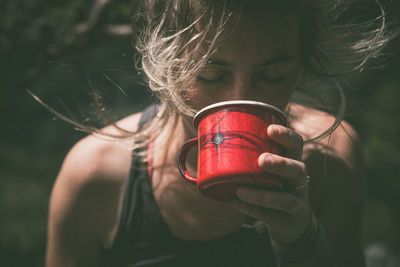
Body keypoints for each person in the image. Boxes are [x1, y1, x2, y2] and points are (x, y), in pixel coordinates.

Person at [45, 0, 393, 266]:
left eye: (273, 77)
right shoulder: (95, 177)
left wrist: (301, 241)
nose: (241, 98)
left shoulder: (331, 156)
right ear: (164, 61)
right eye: (209, 76)